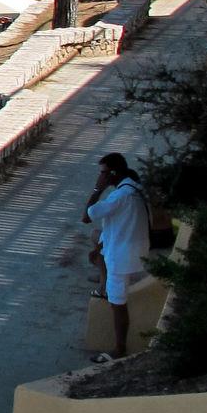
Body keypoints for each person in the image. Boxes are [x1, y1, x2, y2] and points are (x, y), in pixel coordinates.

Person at [83, 152, 151, 358]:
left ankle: (119, 349)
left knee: (118, 303)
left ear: (112, 173)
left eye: (103, 173)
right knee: (98, 241)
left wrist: (97, 189)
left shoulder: (118, 196)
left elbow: (86, 216)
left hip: (121, 256)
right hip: (132, 248)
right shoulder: (133, 187)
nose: (101, 176)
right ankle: (104, 287)